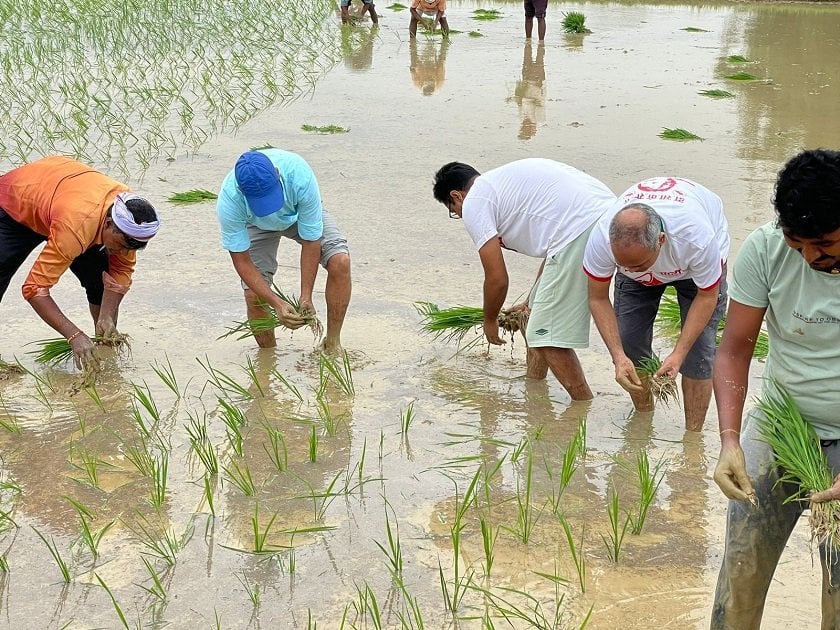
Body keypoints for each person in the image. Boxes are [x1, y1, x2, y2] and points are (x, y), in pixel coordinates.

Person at [711, 149, 840, 628]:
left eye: (824, 243)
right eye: (796, 241)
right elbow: (735, 349)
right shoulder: (765, 249)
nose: (809, 257)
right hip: (782, 423)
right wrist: (728, 441)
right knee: (742, 566)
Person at [432, 159, 616, 400]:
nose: (459, 215)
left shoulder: (475, 201)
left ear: (457, 196)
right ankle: (534, 391)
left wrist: (489, 320)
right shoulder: (499, 187)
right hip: (608, 217)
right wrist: (530, 300)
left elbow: (497, 278)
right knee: (535, 320)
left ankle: (582, 406)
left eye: (454, 211)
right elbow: (555, 252)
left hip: (582, 228)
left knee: (546, 337)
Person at [583, 177, 729, 431]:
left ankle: (692, 438)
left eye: (637, 264)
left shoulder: (696, 238)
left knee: (699, 353)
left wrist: (678, 354)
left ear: (661, 240)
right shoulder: (601, 240)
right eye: (623, 265)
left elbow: (707, 296)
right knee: (629, 343)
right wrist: (618, 356)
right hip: (643, 272)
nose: (629, 269)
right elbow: (597, 298)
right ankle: (643, 420)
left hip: (692, 273)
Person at [0, 156, 160, 370]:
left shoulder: (129, 220)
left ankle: (103, 344)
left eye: (131, 248)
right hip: (17, 201)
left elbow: (120, 273)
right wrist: (74, 335)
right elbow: (35, 288)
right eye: (122, 245)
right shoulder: (76, 228)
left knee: (98, 281)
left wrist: (106, 316)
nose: (123, 252)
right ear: (109, 224)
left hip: (65, 197)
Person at [215, 149, 351, 354]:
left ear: (277, 174)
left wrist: (306, 296)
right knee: (254, 295)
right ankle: (269, 360)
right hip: (255, 224)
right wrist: (276, 303)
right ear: (242, 192)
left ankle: (332, 343)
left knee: (340, 261)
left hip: (297, 214)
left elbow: (311, 241)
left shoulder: (299, 175)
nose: (270, 208)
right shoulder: (230, 200)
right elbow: (241, 260)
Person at [508, 40, 546, 140]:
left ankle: (538, 45)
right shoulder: (538, 119)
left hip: (533, 87)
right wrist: (517, 98)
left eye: (522, 128)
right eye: (523, 128)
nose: (522, 126)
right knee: (535, 61)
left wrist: (517, 98)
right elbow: (539, 102)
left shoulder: (535, 119)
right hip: (534, 87)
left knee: (536, 61)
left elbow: (537, 103)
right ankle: (538, 45)